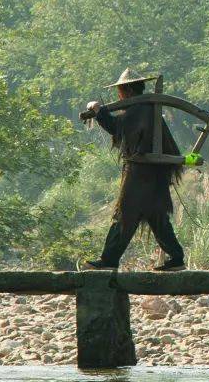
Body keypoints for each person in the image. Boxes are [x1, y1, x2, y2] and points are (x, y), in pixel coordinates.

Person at [80, 67, 186, 271]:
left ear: (126, 91)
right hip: (154, 174)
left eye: (120, 90)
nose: (119, 94)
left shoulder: (140, 110)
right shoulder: (147, 108)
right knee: (156, 215)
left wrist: (98, 110)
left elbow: (116, 127)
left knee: (125, 213)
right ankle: (177, 258)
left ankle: (109, 260)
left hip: (140, 173)